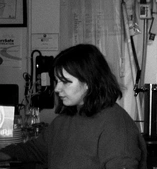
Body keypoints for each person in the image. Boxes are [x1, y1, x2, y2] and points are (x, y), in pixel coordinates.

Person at [0, 43, 147, 169]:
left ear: (88, 82)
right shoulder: (65, 120)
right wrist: (5, 153)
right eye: (57, 81)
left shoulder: (115, 125)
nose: (57, 88)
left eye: (65, 82)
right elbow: (36, 149)